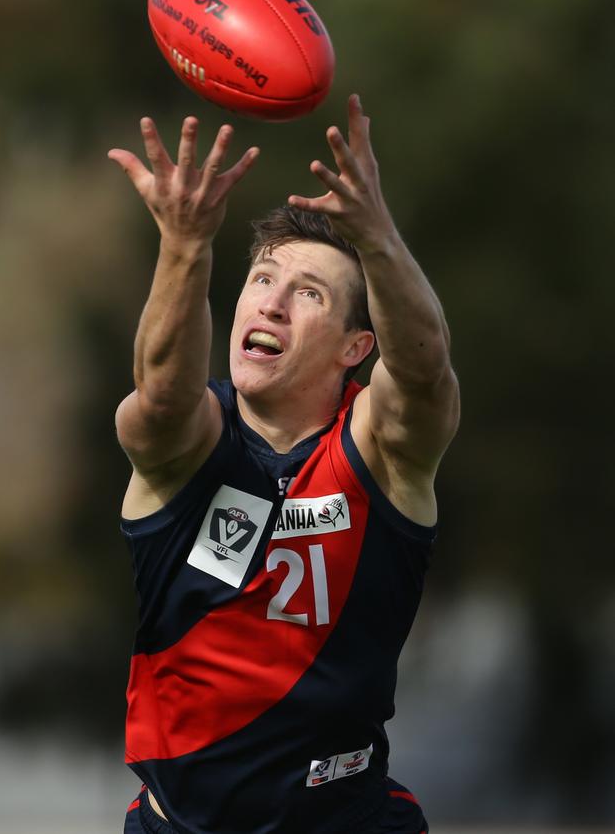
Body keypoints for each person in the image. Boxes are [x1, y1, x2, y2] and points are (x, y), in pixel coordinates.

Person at [109, 95, 459, 834]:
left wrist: (378, 239)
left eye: (307, 294)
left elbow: (425, 376)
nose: (270, 305)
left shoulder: (379, 455)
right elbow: (163, 393)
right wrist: (185, 246)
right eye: (262, 281)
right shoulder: (191, 445)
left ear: (354, 347)